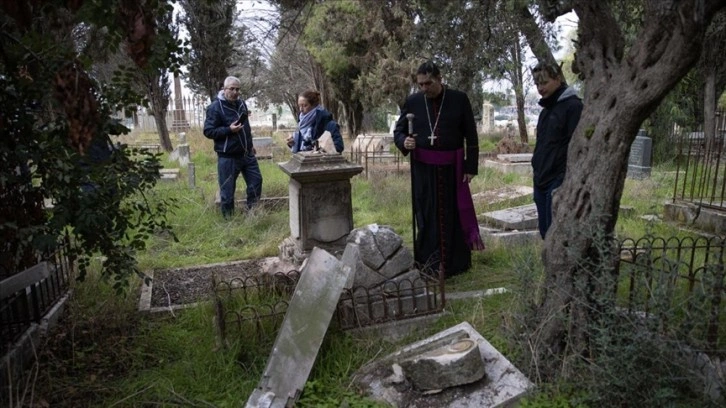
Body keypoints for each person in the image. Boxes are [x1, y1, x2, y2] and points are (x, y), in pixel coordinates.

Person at [393, 61, 484, 278]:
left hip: (453, 169)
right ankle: (428, 262)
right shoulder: (413, 102)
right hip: (423, 170)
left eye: (428, 83)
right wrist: (404, 141)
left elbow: (471, 136)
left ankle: (456, 264)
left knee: (453, 213)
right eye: (421, 84)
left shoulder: (459, 99)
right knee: (426, 213)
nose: (425, 88)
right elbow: (399, 131)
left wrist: (471, 166)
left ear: (439, 78)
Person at [530, 61, 583, 238]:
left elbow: (577, 147)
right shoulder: (545, 110)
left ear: (558, 78)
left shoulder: (573, 107)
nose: (540, 88)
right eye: (537, 84)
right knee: (545, 233)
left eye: (544, 83)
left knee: (556, 235)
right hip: (541, 179)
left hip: (558, 180)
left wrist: (563, 178)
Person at [204, 76, 263, 218]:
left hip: (247, 154)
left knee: (256, 181)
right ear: (224, 89)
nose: (235, 92)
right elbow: (208, 131)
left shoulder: (241, 103)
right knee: (227, 192)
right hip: (228, 157)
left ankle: (251, 214)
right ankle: (229, 223)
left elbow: (246, 127)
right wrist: (228, 130)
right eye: (232, 89)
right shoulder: (215, 107)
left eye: (238, 89)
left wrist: (250, 145)